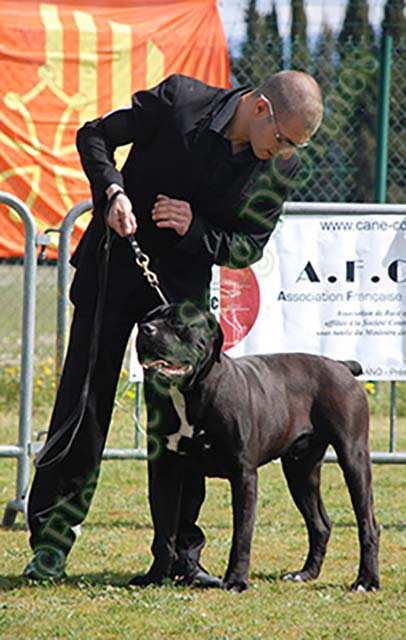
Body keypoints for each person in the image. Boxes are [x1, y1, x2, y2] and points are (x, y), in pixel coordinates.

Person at [23, 71, 323, 585]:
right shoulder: (180, 101)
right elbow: (93, 134)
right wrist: (112, 191)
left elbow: (247, 245)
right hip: (113, 271)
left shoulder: (278, 171)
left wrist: (195, 228)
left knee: (180, 426)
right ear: (260, 108)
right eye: (284, 137)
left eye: (295, 145)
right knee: (83, 407)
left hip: (180, 305)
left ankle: (180, 555)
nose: (285, 151)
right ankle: (50, 545)